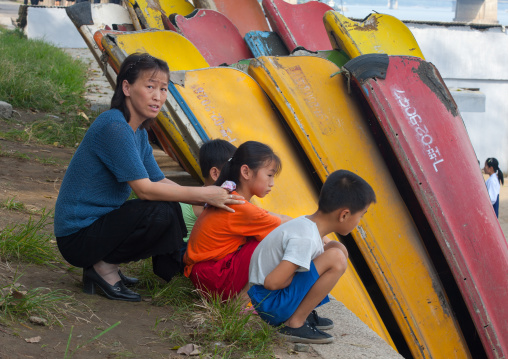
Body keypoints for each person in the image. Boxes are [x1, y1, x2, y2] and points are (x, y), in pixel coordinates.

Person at [54, 53, 243, 303]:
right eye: (150, 86)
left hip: (96, 228)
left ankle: (115, 263)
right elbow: (145, 190)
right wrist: (202, 193)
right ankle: (103, 267)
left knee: (170, 207)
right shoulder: (114, 126)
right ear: (127, 87)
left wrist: (205, 202)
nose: (158, 96)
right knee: (160, 212)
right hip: (76, 237)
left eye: (163, 89)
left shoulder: (137, 132)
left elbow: (159, 180)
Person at [248, 170, 376, 344]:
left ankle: (302, 313)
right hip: (271, 304)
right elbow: (272, 282)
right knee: (336, 258)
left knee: (338, 249)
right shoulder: (305, 238)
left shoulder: (307, 225)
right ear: (344, 214)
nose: (359, 221)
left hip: (270, 298)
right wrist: (296, 276)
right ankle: (295, 323)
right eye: (361, 215)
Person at [183, 141, 291, 300]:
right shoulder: (239, 205)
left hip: (202, 275)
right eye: (269, 175)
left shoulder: (232, 196)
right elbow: (283, 224)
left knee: (266, 237)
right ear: (246, 172)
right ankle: (242, 302)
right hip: (211, 277)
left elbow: (272, 217)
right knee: (272, 243)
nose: (272, 183)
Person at [179, 139, 237, 257]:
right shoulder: (214, 203)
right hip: (187, 254)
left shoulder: (195, 194)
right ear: (215, 174)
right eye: (235, 171)